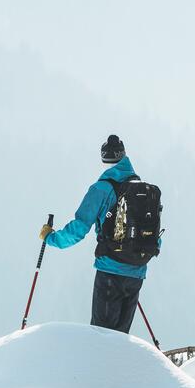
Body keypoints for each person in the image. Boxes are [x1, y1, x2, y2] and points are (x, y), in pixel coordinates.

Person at [40, 134, 160, 333]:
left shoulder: (101, 189)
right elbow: (154, 235)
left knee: (101, 337)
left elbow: (79, 228)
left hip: (110, 270)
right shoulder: (143, 190)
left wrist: (51, 238)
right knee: (121, 339)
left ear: (104, 158)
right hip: (137, 271)